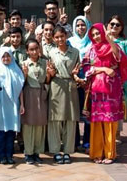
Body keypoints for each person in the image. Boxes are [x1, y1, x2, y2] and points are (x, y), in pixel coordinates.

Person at [83, 23, 127, 164]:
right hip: (96, 91)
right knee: (97, 121)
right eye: (94, 34)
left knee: (109, 121)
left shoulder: (113, 47)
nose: (96, 36)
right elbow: (86, 69)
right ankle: (96, 153)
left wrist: (109, 40)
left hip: (111, 91)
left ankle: (109, 154)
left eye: (98, 33)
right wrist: (103, 69)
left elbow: (119, 58)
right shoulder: (90, 49)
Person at [46, 27, 81, 164]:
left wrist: (76, 74)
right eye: (57, 37)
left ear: (66, 36)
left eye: (62, 36)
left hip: (70, 86)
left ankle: (67, 151)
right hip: (56, 86)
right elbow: (49, 73)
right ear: (53, 39)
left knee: (70, 120)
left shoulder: (75, 52)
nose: (60, 39)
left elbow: (77, 70)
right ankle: (55, 150)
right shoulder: (51, 52)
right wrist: (51, 73)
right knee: (55, 120)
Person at [0, 46, 25, 165]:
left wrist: (22, 104)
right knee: (0, 131)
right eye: (3, 56)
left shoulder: (16, 70)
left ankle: (9, 155)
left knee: (11, 131)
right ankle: (1, 155)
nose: (6, 58)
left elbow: (20, 88)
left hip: (12, 103)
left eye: (8, 56)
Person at [20, 39, 49, 165]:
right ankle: (29, 152)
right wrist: (25, 74)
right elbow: (21, 83)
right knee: (28, 125)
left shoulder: (45, 62)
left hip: (41, 93)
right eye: (31, 49)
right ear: (27, 51)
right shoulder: (24, 63)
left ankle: (37, 152)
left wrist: (49, 74)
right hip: (29, 94)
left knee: (40, 125)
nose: (34, 51)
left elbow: (47, 80)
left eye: (36, 48)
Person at [68, 15, 92, 151]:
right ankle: (75, 141)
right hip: (74, 82)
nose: (80, 28)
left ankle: (88, 142)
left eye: (83, 25)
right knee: (74, 114)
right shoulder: (69, 42)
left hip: (88, 83)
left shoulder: (92, 42)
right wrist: (76, 77)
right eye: (77, 25)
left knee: (87, 112)